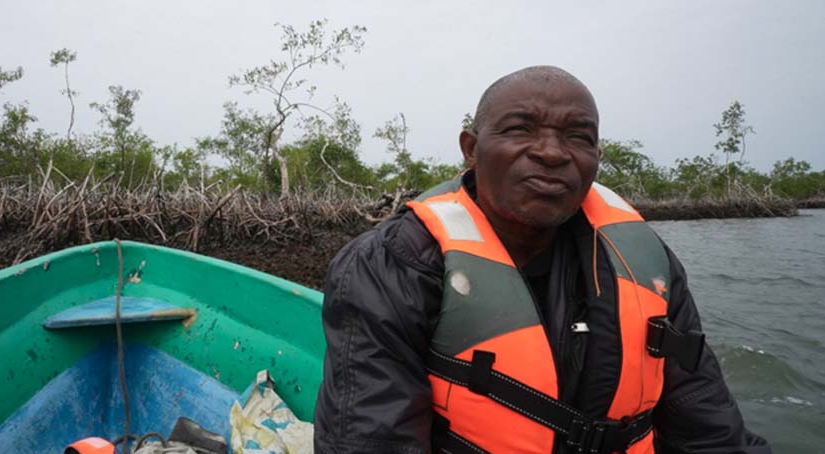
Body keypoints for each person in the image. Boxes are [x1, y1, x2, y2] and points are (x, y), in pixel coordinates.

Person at [313, 66, 771, 454]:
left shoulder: (646, 264)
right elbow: (371, 435)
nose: (552, 152)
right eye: (520, 129)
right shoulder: (392, 264)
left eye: (578, 137)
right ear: (471, 149)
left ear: (595, 157)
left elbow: (706, 418)